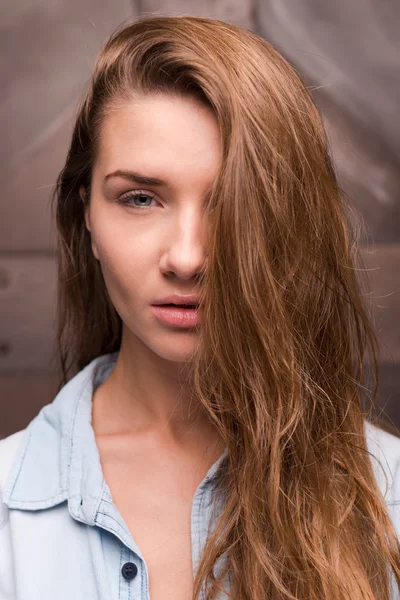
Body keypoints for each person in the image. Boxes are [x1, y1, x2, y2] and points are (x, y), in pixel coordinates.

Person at [0, 14, 399, 600]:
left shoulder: (387, 496)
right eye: (140, 198)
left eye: (231, 204)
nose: (187, 258)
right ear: (86, 214)